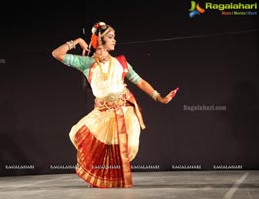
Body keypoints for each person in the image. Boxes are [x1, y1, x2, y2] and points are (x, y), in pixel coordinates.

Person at [52, 21, 179, 188]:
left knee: (129, 147)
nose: (114, 41)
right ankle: (100, 177)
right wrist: (76, 41)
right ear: (100, 40)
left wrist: (159, 98)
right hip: (102, 113)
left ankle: (112, 177)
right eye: (111, 37)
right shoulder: (86, 63)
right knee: (76, 134)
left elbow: (140, 82)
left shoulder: (121, 62)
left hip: (123, 110)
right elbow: (57, 54)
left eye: (114, 37)